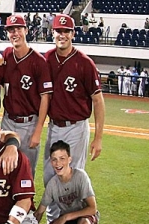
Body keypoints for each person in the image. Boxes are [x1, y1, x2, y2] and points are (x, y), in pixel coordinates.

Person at [42, 14, 105, 187]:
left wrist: (98, 138)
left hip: (76, 128)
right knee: (49, 177)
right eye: (58, 31)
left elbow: (98, 101)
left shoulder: (84, 63)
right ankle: (53, 215)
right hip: (54, 127)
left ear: (73, 34)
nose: (62, 35)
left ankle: (74, 215)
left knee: (71, 179)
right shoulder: (47, 58)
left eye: (66, 31)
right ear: (52, 32)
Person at [35, 140, 99, 224]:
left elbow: (92, 208)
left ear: (69, 159)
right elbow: (40, 211)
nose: (58, 164)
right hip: (67, 219)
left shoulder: (80, 176)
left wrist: (65, 217)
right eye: (54, 160)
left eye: (62, 159)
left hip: (84, 216)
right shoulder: (52, 184)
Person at [1, 15, 52, 178]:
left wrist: (38, 131)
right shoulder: (7, 55)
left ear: (26, 30)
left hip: (29, 123)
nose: (15, 33)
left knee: (27, 171)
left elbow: (45, 98)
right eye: (11, 30)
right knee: (4, 169)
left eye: (18, 29)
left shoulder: (38, 61)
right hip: (8, 121)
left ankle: (27, 203)